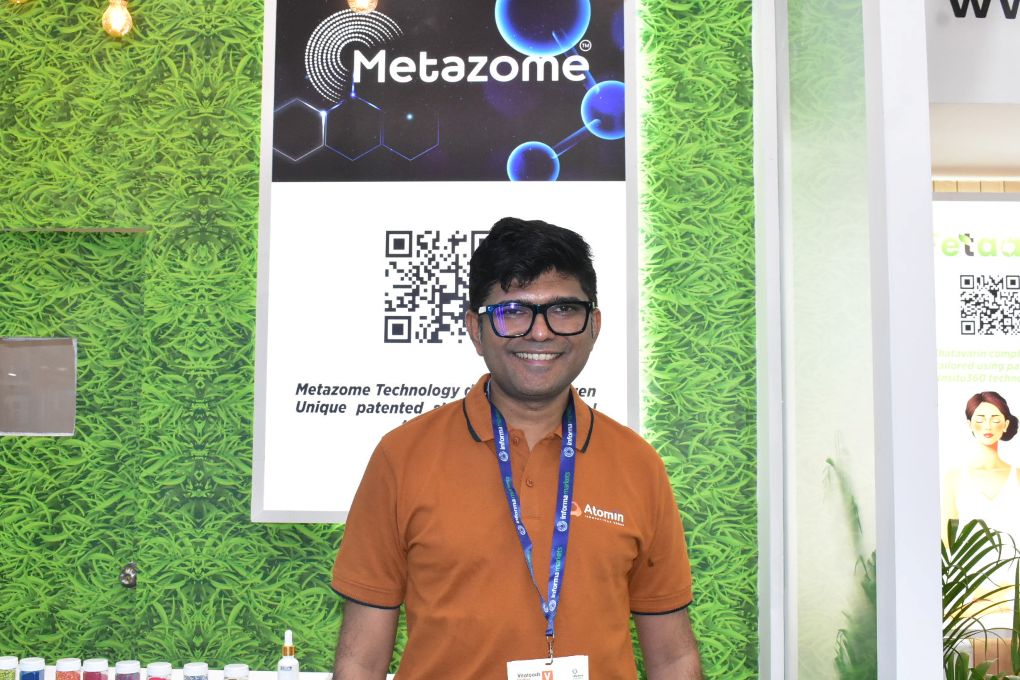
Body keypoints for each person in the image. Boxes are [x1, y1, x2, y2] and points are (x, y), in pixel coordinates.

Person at [331, 217, 702, 679]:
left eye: (563, 309)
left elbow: (673, 657)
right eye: (513, 311)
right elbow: (361, 661)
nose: (540, 333)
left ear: (594, 325)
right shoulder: (402, 456)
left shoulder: (638, 464)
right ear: (475, 328)